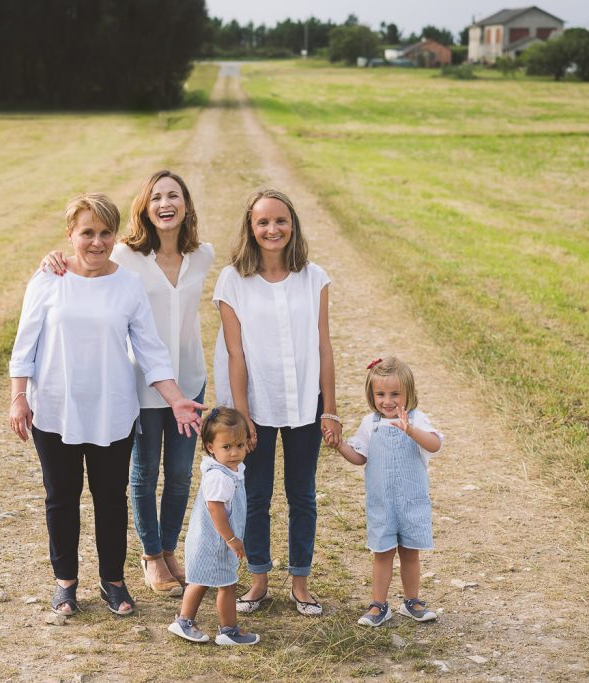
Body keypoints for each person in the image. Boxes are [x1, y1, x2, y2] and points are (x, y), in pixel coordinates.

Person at [9, 192, 205, 618]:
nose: (96, 242)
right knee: (60, 497)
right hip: (56, 409)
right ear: (70, 235)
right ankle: (65, 584)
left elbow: (150, 349)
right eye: (86, 233)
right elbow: (25, 344)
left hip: (112, 409)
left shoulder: (127, 284)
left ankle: (113, 582)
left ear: (114, 235)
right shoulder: (48, 279)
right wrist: (19, 397)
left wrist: (175, 401)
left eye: (104, 233)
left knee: (111, 498)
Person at [212, 188, 341, 617]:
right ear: (251, 228)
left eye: (280, 221)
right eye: (263, 222)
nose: (273, 229)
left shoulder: (313, 277)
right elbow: (236, 354)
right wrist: (243, 417)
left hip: (305, 402)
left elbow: (323, 346)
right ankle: (260, 580)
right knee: (257, 495)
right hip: (259, 406)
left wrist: (330, 408)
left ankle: (300, 581)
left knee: (302, 494)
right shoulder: (233, 280)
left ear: (293, 225)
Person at [335, 356, 444, 627]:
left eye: (395, 394)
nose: (388, 401)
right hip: (382, 502)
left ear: (409, 393)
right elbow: (359, 456)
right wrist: (339, 446)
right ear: (372, 396)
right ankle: (378, 604)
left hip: (411, 501)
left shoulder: (417, 419)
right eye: (381, 394)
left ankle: (412, 601)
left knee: (410, 552)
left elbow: (434, 445)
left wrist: (411, 430)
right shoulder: (369, 424)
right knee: (382, 552)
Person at [168, 407, 259, 646]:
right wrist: (231, 539)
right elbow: (215, 510)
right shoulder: (218, 477)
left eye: (240, 445)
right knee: (223, 584)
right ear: (211, 447)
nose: (234, 453)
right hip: (216, 540)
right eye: (226, 447)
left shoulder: (232, 470)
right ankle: (226, 630)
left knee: (204, 580)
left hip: (212, 539)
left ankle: (188, 621)